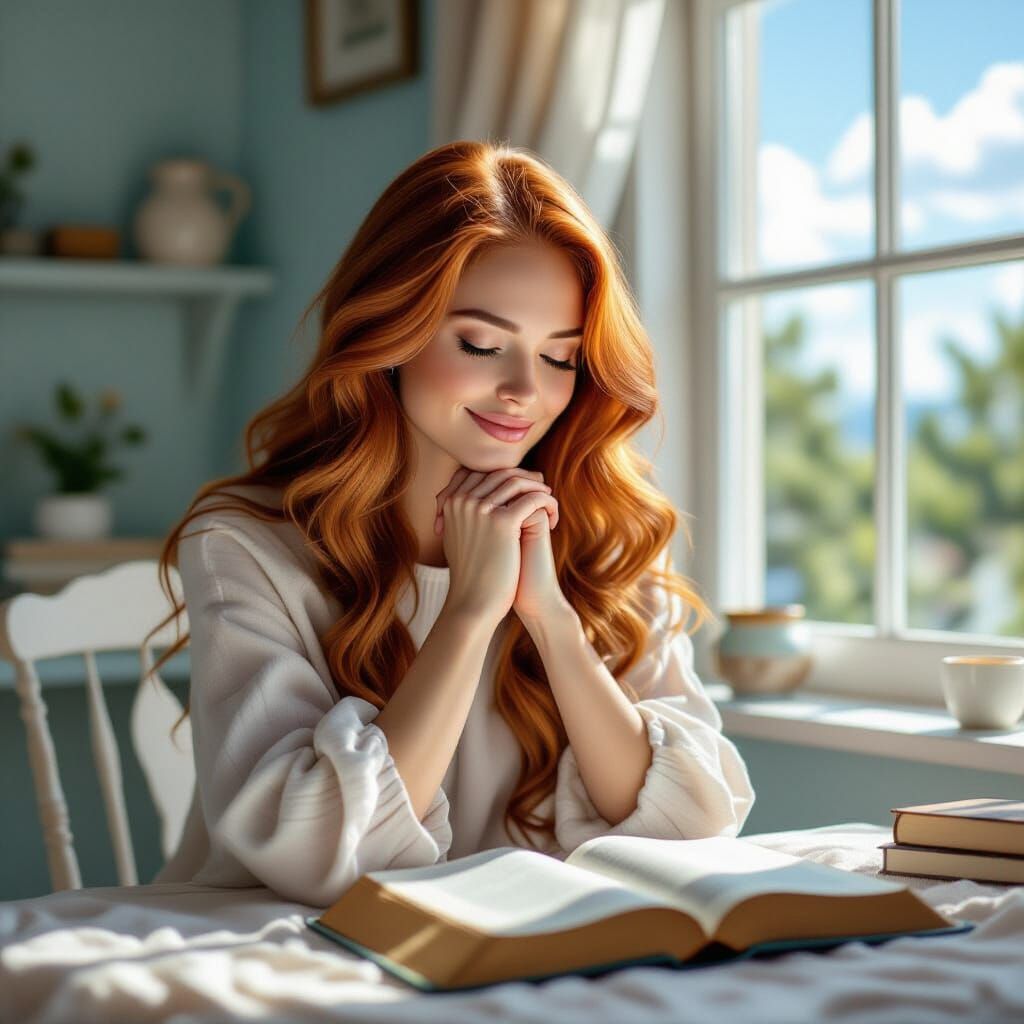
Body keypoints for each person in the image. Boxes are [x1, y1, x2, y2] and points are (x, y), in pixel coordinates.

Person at [147, 140, 755, 907]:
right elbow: (321, 858)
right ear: (389, 332)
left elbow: (694, 829)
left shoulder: (601, 530)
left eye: (561, 358)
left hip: (523, 966)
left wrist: (553, 622)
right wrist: (469, 611)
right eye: (480, 344)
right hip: (282, 951)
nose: (523, 392)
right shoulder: (248, 544)